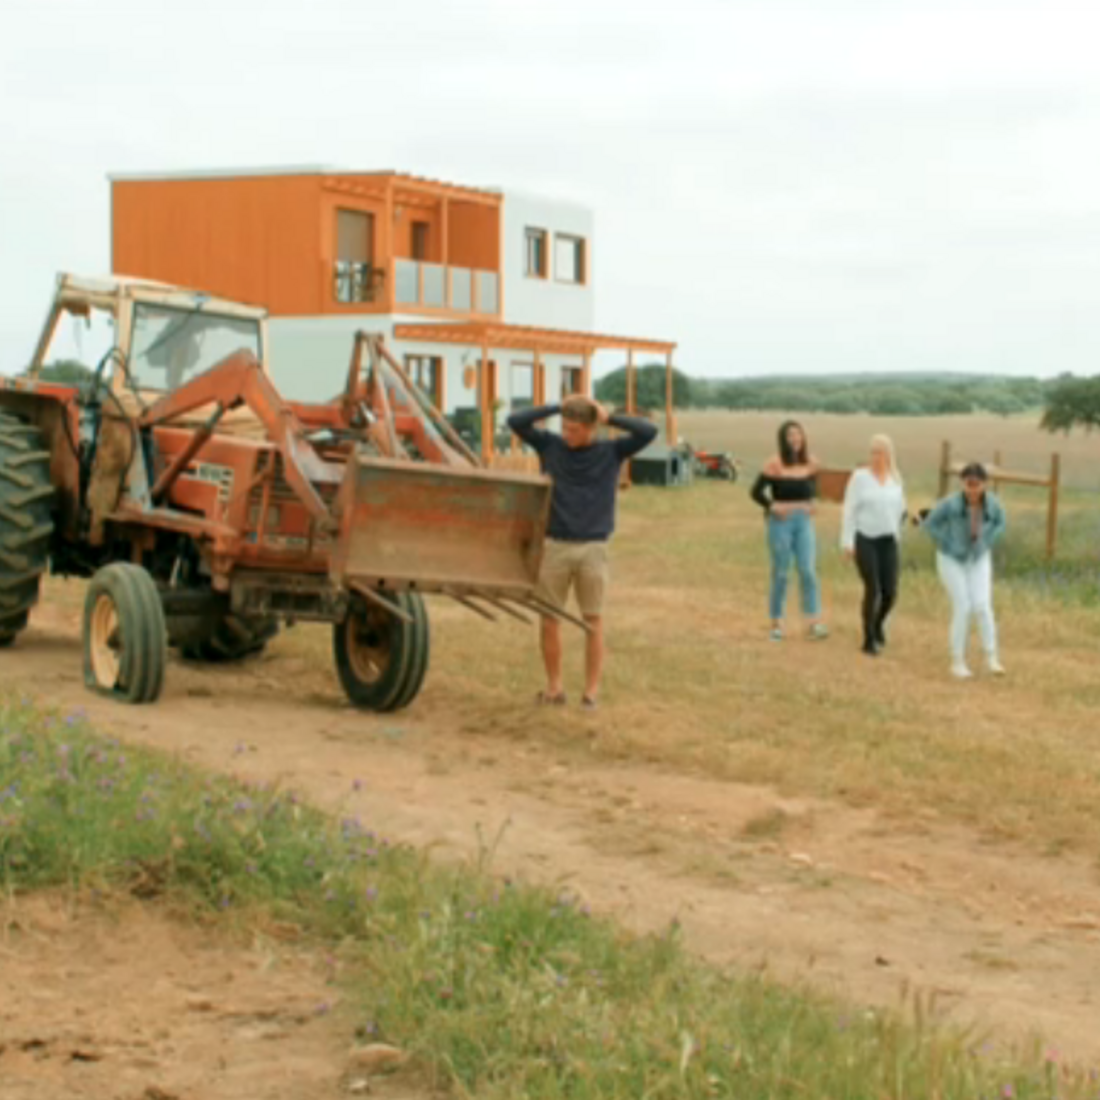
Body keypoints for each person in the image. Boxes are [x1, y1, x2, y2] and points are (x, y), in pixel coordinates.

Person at [507, 394, 658, 709]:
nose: (566, 434)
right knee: (550, 619)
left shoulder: (612, 451)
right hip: (554, 545)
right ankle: (554, 689)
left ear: (592, 428)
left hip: (593, 547)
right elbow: (515, 422)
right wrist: (555, 406)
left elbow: (648, 432)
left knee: (593, 621)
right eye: (564, 427)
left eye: (574, 429)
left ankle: (590, 693)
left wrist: (610, 417)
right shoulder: (550, 446)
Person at [922, 462, 1007, 679]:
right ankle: (957, 661)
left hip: (978, 557)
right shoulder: (950, 504)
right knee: (963, 606)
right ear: (962, 484)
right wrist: (947, 543)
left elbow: (1000, 523)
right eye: (968, 484)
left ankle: (992, 658)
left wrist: (988, 540)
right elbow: (930, 524)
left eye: (976, 484)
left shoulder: (993, 505)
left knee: (983, 606)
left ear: (984, 485)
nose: (972, 489)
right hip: (951, 558)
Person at [750, 420, 827, 642]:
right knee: (782, 572)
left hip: (804, 522)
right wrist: (771, 506)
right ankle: (777, 623)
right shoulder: (774, 463)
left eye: (798, 435)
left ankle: (814, 622)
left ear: (803, 438)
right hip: (780, 523)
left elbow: (814, 488)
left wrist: (812, 503)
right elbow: (755, 492)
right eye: (790, 435)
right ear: (783, 439)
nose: (795, 439)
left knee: (808, 570)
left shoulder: (812, 463)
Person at [840, 435, 907, 656]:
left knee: (890, 592)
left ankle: (878, 624)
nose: (876, 457)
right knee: (873, 588)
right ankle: (868, 639)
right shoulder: (860, 478)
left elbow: (900, 510)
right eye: (873, 452)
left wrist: (901, 530)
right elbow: (849, 510)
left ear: (889, 455)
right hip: (865, 537)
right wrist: (848, 542)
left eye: (880, 452)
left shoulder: (895, 479)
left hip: (888, 540)